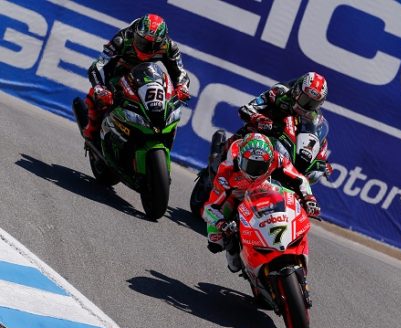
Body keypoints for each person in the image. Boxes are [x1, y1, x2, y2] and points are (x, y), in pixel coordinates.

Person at [202, 133, 320, 272]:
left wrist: (309, 199)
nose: (254, 171)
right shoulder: (227, 171)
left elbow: (300, 179)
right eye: (249, 165)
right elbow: (209, 207)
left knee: (294, 199)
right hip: (235, 197)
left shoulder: (276, 158)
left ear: (269, 162)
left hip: (266, 188)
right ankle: (233, 250)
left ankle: (290, 237)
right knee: (215, 241)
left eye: (260, 166)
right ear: (240, 159)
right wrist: (221, 222)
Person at [82, 14, 191, 141]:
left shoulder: (169, 47)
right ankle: (92, 130)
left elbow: (180, 72)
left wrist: (182, 87)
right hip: (118, 73)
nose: (145, 47)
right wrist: (100, 88)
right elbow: (98, 65)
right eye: (142, 41)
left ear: (161, 42)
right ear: (136, 34)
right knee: (96, 97)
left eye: (151, 45)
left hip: (146, 76)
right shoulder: (122, 39)